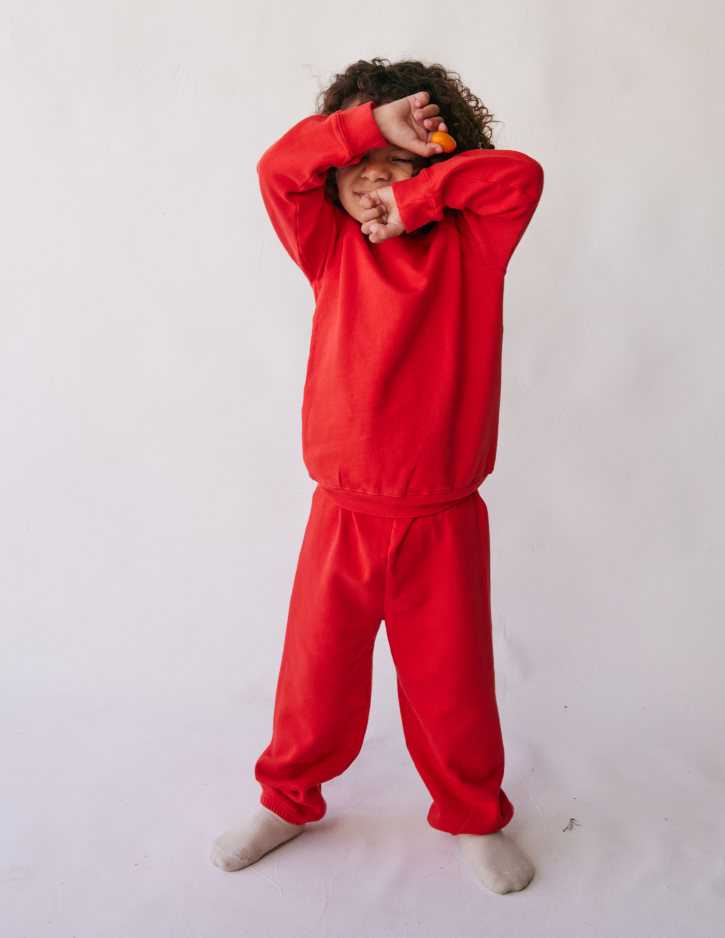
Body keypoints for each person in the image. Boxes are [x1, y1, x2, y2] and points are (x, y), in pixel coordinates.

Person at [210, 58, 543, 895]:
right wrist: (368, 129)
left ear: (433, 167)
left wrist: (415, 195)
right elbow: (276, 171)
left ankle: (471, 814)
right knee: (315, 674)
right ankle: (288, 798)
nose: (372, 183)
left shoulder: (474, 243)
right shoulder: (327, 248)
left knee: (452, 686)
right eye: (358, 168)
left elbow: (517, 176)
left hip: (443, 513)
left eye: (394, 166)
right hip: (343, 513)